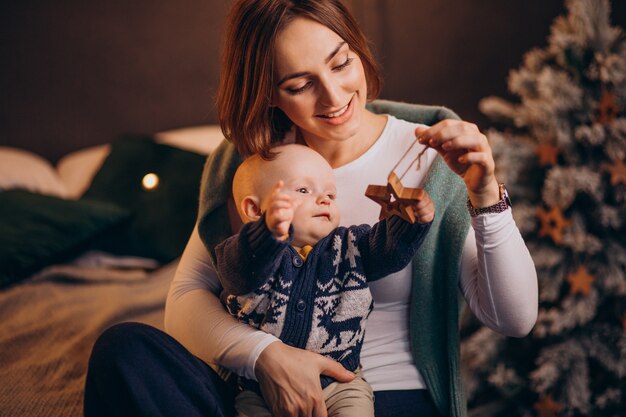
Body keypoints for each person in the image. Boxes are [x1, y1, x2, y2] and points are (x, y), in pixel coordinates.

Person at [84, 1, 539, 417]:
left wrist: (484, 195)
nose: (334, 96)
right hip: (257, 392)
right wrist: (266, 357)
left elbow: (514, 319)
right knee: (124, 350)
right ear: (268, 94)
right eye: (300, 85)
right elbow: (185, 298)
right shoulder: (252, 160)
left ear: (358, 48)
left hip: (384, 397)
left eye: (341, 62)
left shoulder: (430, 152)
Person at [216, 143, 434, 417]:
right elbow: (239, 271)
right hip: (261, 388)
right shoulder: (246, 254)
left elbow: (387, 250)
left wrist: (410, 221)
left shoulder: (349, 245)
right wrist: (267, 233)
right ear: (255, 210)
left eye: (330, 193)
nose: (324, 200)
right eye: (304, 190)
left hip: (341, 383)